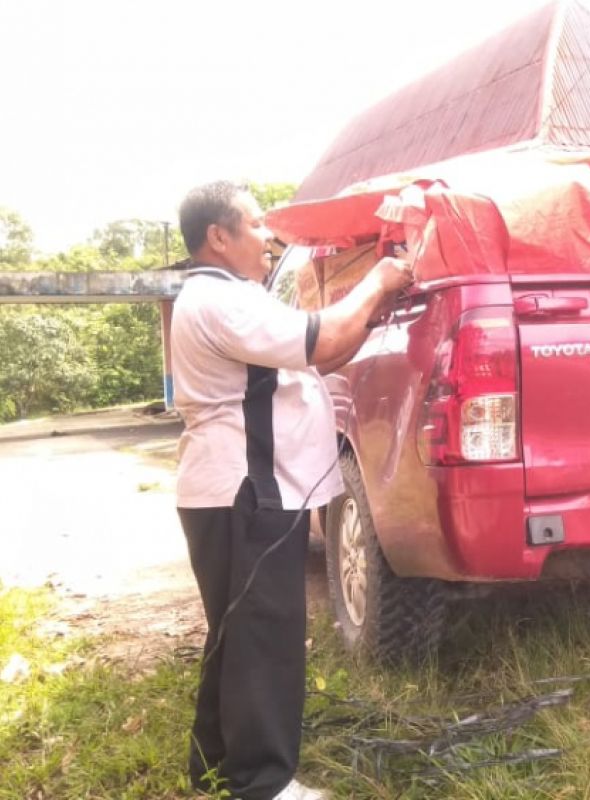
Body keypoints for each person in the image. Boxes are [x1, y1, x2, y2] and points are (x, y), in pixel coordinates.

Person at [172, 181, 414, 800]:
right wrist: (378, 282)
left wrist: (370, 310)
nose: (267, 237)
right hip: (248, 493)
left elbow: (319, 358)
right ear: (218, 238)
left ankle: (216, 764)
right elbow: (321, 339)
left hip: (232, 493)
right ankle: (264, 785)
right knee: (264, 638)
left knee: (235, 633)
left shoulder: (228, 297)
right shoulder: (224, 301)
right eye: (254, 225)